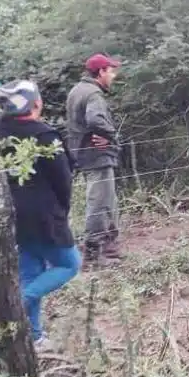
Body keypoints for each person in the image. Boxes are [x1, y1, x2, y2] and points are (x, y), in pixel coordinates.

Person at [0, 80, 81, 351]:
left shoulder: (1, 132)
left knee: (31, 272)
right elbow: (62, 180)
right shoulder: (44, 135)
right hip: (44, 214)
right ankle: (16, 304)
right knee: (70, 264)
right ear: (35, 102)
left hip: (13, 213)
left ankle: (34, 336)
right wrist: (61, 213)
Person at [66, 54, 122, 264]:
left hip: (83, 153)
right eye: (110, 70)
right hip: (96, 155)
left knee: (109, 201)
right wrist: (111, 136)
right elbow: (95, 119)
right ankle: (93, 252)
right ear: (100, 72)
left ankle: (109, 248)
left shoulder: (77, 90)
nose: (113, 75)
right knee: (99, 201)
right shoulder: (93, 94)